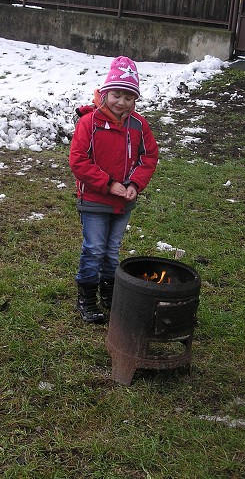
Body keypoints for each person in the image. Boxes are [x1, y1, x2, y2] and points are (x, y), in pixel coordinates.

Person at [69, 56, 158, 323]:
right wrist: (109, 184)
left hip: (124, 201)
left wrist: (134, 184)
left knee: (112, 249)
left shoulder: (139, 125)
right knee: (94, 248)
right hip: (95, 199)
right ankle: (86, 297)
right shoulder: (89, 123)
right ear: (106, 93)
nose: (122, 102)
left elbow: (149, 156)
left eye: (129, 97)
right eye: (116, 95)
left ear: (135, 100)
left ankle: (110, 293)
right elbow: (78, 160)